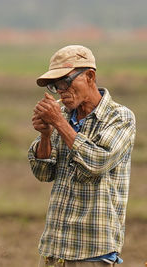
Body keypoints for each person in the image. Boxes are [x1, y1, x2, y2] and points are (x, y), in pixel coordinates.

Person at [28, 45, 136, 267]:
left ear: (89, 76)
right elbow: (43, 173)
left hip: (92, 251)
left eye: (65, 82)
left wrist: (58, 122)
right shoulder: (65, 116)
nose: (61, 91)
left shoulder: (120, 117)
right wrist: (46, 135)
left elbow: (97, 162)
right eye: (55, 85)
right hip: (54, 248)